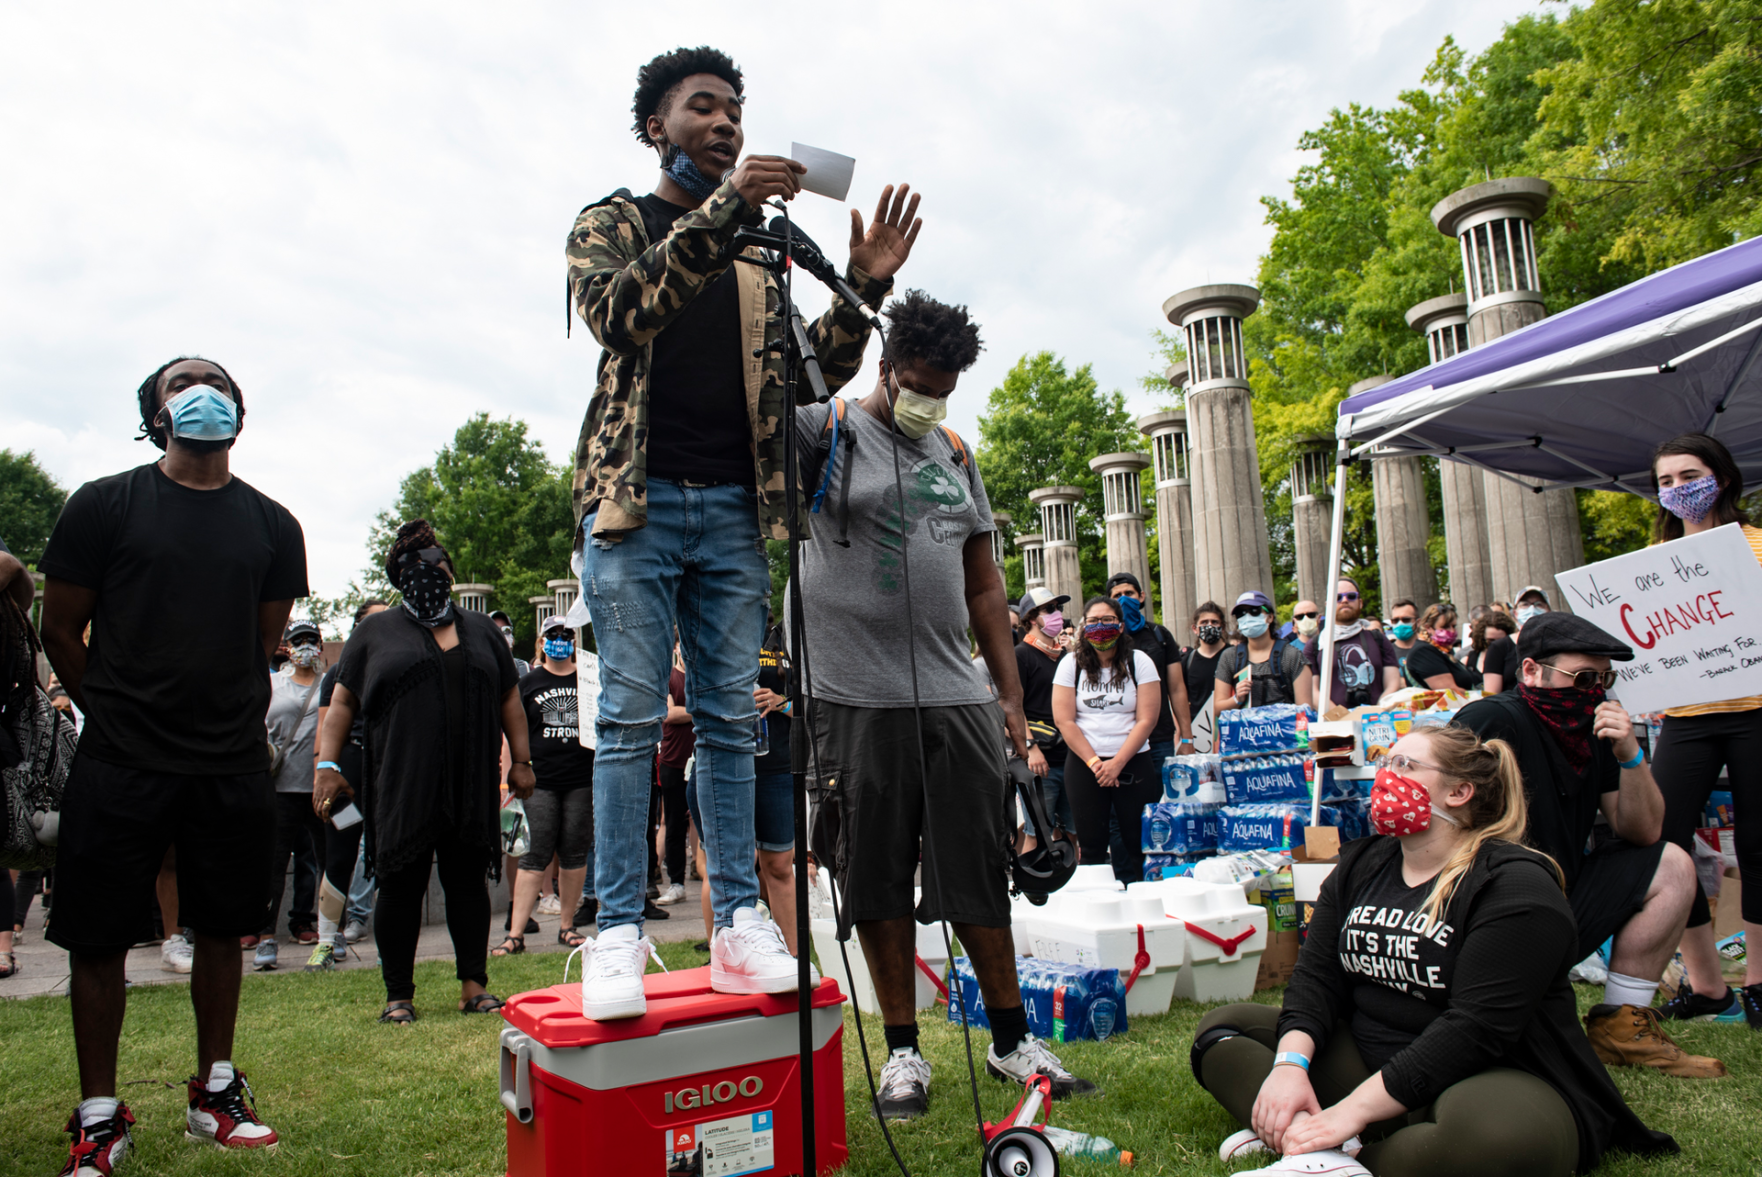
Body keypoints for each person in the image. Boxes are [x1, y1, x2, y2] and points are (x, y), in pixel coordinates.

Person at [565, 46, 920, 1017]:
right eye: (704, 109)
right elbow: (618, 311)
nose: (726, 125)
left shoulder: (763, 253)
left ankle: (736, 925)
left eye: (735, 113)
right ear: (657, 126)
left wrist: (863, 283)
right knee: (633, 718)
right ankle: (619, 934)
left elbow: (808, 378)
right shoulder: (615, 221)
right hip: (633, 505)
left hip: (732, 509)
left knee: (732, 722)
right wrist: (726, 213)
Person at [797, 290, 1094, 1120]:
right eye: (920, 384)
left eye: (945, 388)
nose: (931, 402)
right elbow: (775, 397)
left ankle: (1010, 1039)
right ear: (887, 368)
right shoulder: (827, 431)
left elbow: (985, 580)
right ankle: (901, 1054)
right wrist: (853, 289)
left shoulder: (956, 451)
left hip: (956, 692)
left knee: (977, 867)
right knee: (876, 873)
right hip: (854, 697)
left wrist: (1005, 690)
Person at [1191, 724, 1677, 1177]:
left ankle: (1333, 1153)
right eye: (1386, 762)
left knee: (1498, 1141)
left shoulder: (1515, 886)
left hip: (1489, 1079)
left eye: (1405, 766)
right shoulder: (1363, 864)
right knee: (1224, 1028)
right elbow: (1317, 978)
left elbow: (1476, 1030)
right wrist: (1288, 1068)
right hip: (1371, 1063)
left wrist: (1348, 1112)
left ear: (1459, 792)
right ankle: (1321, 1139)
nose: (1386, 777)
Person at [38, 356, 302, 1163]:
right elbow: (58, 630)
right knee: (99, 937)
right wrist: (118, 713)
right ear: (156, 414)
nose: (203, 392)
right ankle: (98, 1113)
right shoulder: (104, 505)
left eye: (217, 381)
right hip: (121, 759)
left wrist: (219, 722)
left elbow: (263, 645)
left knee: (225, 926)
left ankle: (214, 1091)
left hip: (227, 762)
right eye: (181, 382)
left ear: (240, 410)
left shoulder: (271, 524)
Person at [1454, 612, 1722, 1076]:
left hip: (1559, 900)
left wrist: (1631, 757)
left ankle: (1620, 1026)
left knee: (1673, 864)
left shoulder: (1594, 732)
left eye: (1604, 679)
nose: (1595, 691)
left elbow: (1642, 832)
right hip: (1486, 911)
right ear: (1532, 670)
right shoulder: (1493, 717)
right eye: (1582, 678)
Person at [312, 521, 535, 1024]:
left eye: (439, 562)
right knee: (398, 885)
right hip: (402, 782)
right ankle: (398, 995)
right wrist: (326, 765)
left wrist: (521, 762)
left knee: (467, 884)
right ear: (399, 575)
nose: (432, 572)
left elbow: (509, 699)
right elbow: (342, 700)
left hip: (470, 781)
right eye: (418, 565)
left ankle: (473, 985)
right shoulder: (375, 633)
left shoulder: (481, 631)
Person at [1643, 433, 1762, 1026]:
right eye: (1665, 481)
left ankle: (1760, 985)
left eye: (1688, 475)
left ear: (1721, 477)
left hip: (1756, 710)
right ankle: (1708, 985)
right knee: (1663, 844)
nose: (1677, 489)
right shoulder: (1650, 565)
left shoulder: (1758, 546)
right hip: (1686, 719)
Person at [497, 615, 596, 956]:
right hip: (540, 782)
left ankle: (567, 927)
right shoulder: (528, 683)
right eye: (552, 635)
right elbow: (511, 735)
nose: (559, 640)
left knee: (574, 853)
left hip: (581, 780)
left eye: (566, 634)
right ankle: (515, 934)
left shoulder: (589, 681)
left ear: (574, 640)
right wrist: (507, 779)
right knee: (532, 856)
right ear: (541, 642)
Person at [1053, 596, 1163, 883]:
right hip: (1085, 765)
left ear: (1121, 625)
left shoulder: (1140, 662)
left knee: (1137, 844)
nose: (1100, 626)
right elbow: (1065, 720)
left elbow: (1147, 719)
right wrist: (1096, 763)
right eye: (1093, 621)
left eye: (1108, 620)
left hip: (1133, 762)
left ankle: (1141, 904)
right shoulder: (1070, 664)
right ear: (1083, 627)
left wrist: (1117, 763)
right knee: (1091, 848)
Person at [315, 599, 387, 952]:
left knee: (391, 848)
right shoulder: (339, 672)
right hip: (349, 770)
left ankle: (386, 939)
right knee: (340, 851)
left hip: (388, 767)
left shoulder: (397, 665)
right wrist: (324, 769)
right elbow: (326, 725)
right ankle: (327, 940)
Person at [257, 621, 327, 971]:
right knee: (273, 865)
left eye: (311, 641)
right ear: (286, 646)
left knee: (324, 861)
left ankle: (325, 931)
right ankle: (265, 937)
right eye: (298, 641)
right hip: (281, 790)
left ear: (321, 646)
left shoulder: (328, 684)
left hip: (319, 790)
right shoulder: (272, 684)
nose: (305, 647)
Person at [1106, 572, 1195, 767]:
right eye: (1117, 595)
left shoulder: (1159, 635)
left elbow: (1177, 688)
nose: (1123, 599)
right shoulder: (1104, 640)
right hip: (1116, 738)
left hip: (1159, 737)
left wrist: (1187, 738)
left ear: (1141, 596)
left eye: (1129, 593)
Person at [750, 623, 800, 953]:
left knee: (779, 866)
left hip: (778, 766)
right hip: (727, 764)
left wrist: (780, 701)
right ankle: (720, 958)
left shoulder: (789, 641)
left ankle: (795, 958)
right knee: (723, 870)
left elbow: (814, 709)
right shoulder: (717, 628)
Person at [1014, 587, 1073, 835]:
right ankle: (1031, 876)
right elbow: (1012, 707)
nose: (1056, 614)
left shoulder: (1064, 657)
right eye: (1049, 609)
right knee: (1038, 836)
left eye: (1058, 608)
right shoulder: (1020, 655)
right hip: (1039, 762)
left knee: (1072, 833)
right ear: (1030, 618)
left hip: (1071, 759)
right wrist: (1030, 748)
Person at [1305, 578, 1400, 710]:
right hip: (1334, 725)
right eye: (1337, 597)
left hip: (1378, 722)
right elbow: (1313, 692)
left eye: (1351, 596)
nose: (1344, 600)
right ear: (1328, 605)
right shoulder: (1315, 646)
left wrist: (1377, 713)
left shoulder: (1379, 639)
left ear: (1360, 603)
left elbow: (1393, 684)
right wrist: (1340, 720)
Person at [1214, 592, 1312, 713]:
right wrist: (1237, 699)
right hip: (1245, 730)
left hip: (1284, 730)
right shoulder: (1229, 657)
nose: (1247, 617)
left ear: (1270, 617)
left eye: (1254, 611)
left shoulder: (1292, 656)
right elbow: (1217, 710)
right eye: (1241, 613)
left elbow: (1305, 711)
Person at [654, 643, 692, 913]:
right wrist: (701, 710)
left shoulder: (704, 674)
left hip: (701, 760)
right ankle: (676, 882)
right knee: (673, 822)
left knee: (702, 824)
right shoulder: (668, 676)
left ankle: (705, 875)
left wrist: (686, 711)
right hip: (673, 761)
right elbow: (669, 713)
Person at [1403, 604, 1476, 692]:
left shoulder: (1442, 650)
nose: (1452, 631)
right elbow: (1450, 691)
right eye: (1445, 627)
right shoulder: (1423, 652)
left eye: (1453, 626)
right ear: (1428, 628)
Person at [1466, 609, 1517, 695]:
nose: (1495, 646)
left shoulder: (1512, 658)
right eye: (1490, 641)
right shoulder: (1472, 657)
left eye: (1501, 641)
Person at [1385, 599, 1419, 680]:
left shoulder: (1429, 650)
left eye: (1406, 619)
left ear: (1418, 622)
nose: (1400, 623)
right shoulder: (1386, 653)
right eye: (1395, 620)